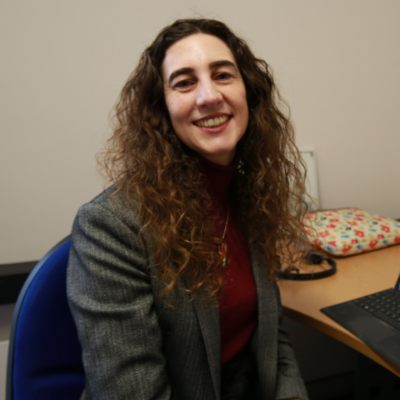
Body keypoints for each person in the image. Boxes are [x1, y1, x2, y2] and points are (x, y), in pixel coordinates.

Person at [67, 18, 309, 400]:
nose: (209, 96)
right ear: (161, 109)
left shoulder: (250, 197)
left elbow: (270, 335)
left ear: (249, 92)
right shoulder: (110, 226)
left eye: (223, 75)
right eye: (184, 82)